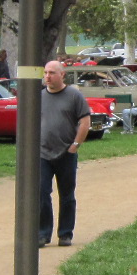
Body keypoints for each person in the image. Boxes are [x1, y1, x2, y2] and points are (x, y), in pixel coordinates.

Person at [38, 59, 92, 247]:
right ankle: (43, 233)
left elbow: (85, 122)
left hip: (66, 154)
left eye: (52, 73)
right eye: (45, 73)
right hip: (42, 154)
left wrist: (75, 145)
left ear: (62, 75)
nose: (47, 76)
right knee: (42, 193)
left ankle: (65, 234)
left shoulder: (74, 96)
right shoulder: (39, 97)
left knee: (67, 195)